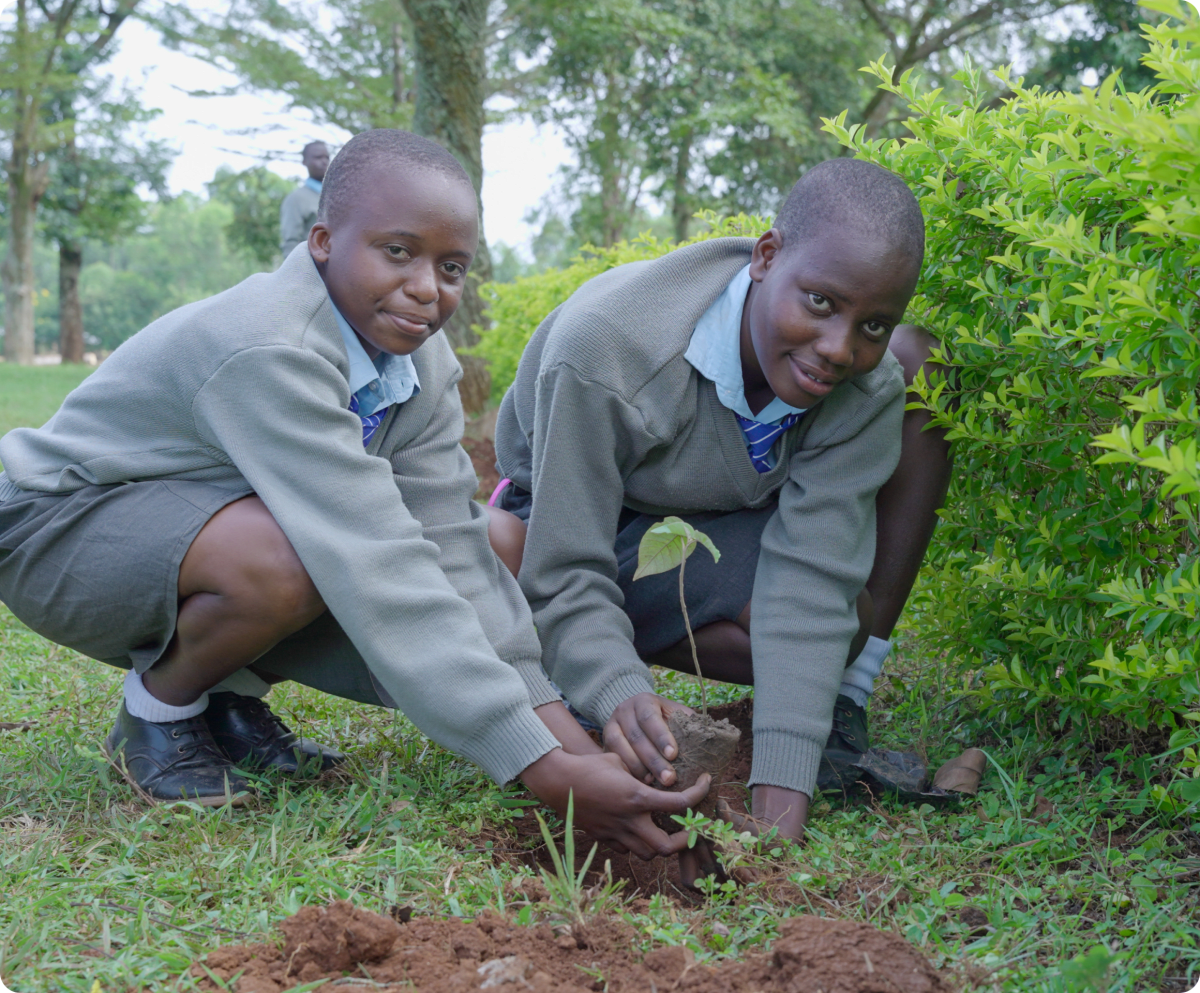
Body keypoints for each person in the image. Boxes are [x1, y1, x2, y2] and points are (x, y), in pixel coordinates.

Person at [0, 129, 710, 860]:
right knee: (292, 553)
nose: (427, 287)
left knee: (491, 538)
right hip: (51, 529)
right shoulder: (271, 347)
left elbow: (451, 548)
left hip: (190, 523)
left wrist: (566, 742)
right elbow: (377, 558)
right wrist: (539, 765)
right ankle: (158, 714)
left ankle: (231, 700)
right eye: (397, 251)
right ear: (321, 241)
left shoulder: (421, 363)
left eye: (452, 266)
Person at [490, 159, 952, 866]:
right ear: (766, 256)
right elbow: (569, 562)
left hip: (695, 529)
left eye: (874, 324)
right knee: (517, 557)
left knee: (840, 625)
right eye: (822, 302)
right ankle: (582, 662)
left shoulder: (864, 385)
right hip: (562, 520)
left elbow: (811, 579)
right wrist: (619, 689)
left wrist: (781, 802)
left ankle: (833, 709)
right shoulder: (607, 348)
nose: (838, 348)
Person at [279, 141, 330, 259]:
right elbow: (290, 243)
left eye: (327, 157)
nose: (324, 162)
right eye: (318, 157)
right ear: (304, 162)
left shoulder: (338, 195)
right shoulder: (296, 199)